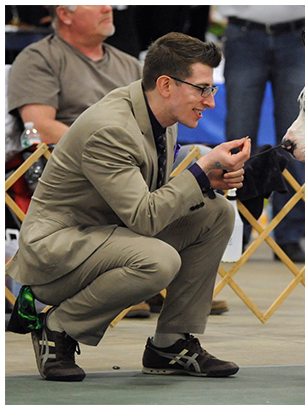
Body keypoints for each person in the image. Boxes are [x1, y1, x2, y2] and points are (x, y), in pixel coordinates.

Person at [6, 32, 251, 382]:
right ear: (166, 84)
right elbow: (145, 218)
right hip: (57, 255)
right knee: (158, 259)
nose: (210, 102)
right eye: (202, 89)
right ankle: (56, 328)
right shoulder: (111, 128)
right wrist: (199, 169)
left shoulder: (159, 116)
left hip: (107, 234)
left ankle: (170, 343)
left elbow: (146, 199)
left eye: (210, 89)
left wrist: (203, 183)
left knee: (216, 213)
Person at [219, 5, 305, 263]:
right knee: (238, 141)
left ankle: (290, 235)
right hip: (243, 34)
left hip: (298, 35)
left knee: (296, 140)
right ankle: (236, 229)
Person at [7, 5, 142, 145]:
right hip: (75, 159)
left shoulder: (130, 65)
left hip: (131, 156)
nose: (107, 8)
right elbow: (41, 128)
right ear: (65, 14)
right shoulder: (38, 58)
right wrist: (109, 149)